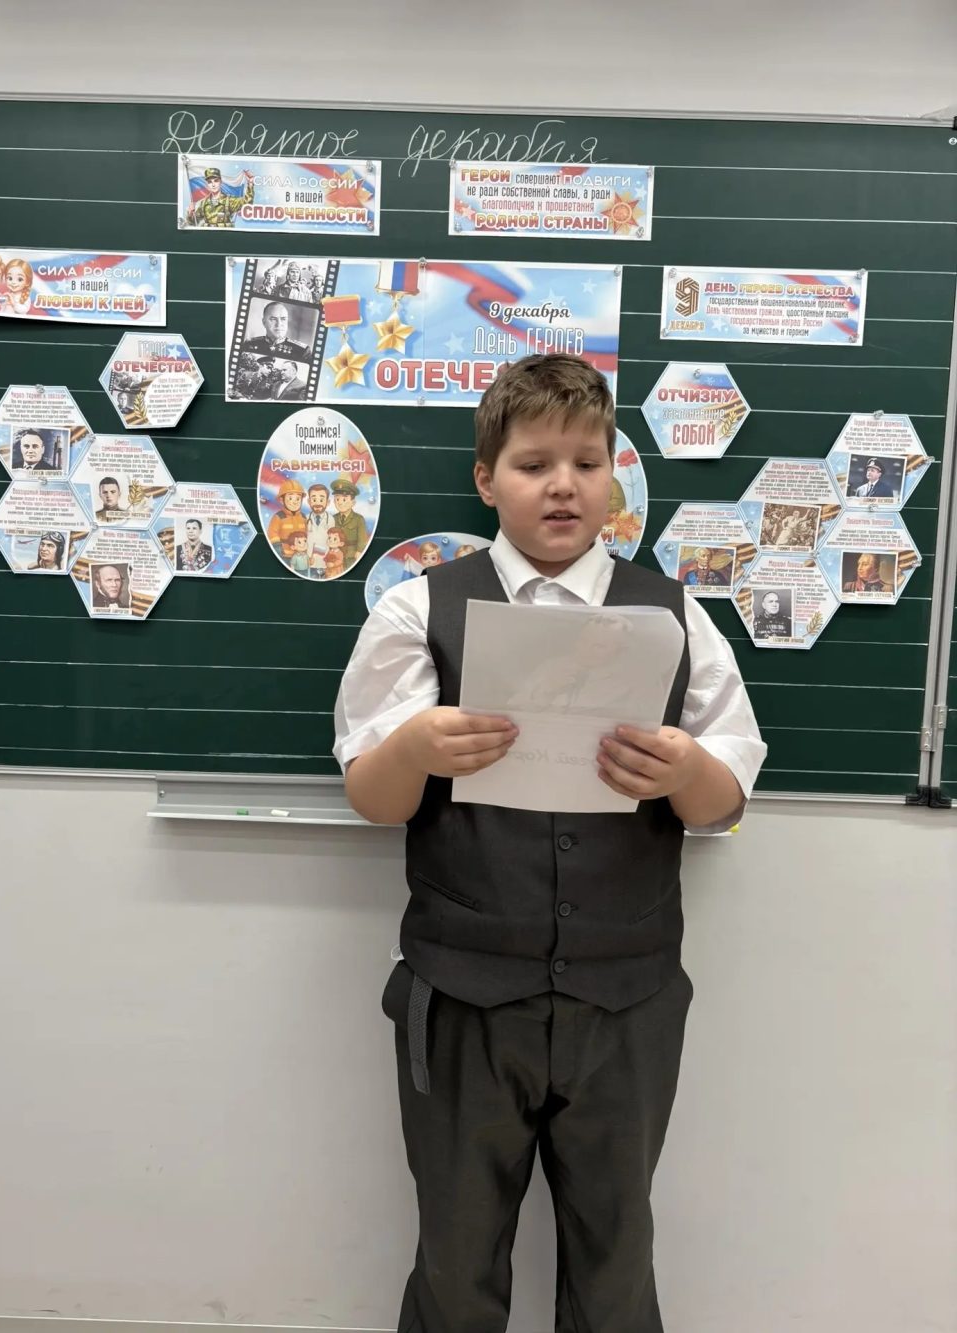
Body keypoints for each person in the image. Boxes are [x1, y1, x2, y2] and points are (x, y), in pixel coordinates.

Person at [333, 353, 766, 1332]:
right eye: (533, 464)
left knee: (616, 1264)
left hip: (628, 998)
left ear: (615, 475)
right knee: (455, 1259)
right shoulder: (418, 609)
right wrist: (415, 747)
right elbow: (374, 796)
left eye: (585, 462)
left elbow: (725, 799)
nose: (562, 484)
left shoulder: (675, 615)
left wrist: (683, 770)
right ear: (487, 480)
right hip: (463, 994)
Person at [186, 164, 254, 228]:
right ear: (207, 185)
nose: (213, 185)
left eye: (216, 181)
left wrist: (250, 184)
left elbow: (246, 203)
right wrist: (190, 214)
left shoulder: (229, 201)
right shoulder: (203, 203)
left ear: (220, 182)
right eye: (210, 182)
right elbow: (193, 223)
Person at [243, 301, 312, 361]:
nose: (279, 324)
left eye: (283, 319)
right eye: (273, 319)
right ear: (264, 322)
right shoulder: (249, 344)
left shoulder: (302, 351)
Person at [330, 477, 369, 568]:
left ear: (353, 502)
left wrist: (359, 552)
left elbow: (362, 539)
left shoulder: (358, 519)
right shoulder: (333, 518)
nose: (340, 503)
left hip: (352, 555)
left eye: (344, 499)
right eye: (337, 499)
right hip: (336, 555)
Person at [267, 478, 308, 561]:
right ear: (282, 500)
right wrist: (278, 549)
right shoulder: (279, 517)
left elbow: (307, 534)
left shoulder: (303, 517)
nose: (295, 502)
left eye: (298, 498)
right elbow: (272, 534)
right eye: (290, 498)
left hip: (301, 556)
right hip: (284, 556)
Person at [305, 482, 332, 576]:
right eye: (314, 499)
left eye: (321, 499)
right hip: (309, 559)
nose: (317, 503)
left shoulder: (331, 519)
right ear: (309, 502)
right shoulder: (305, 518)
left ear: (328, 502)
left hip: (325, 560)